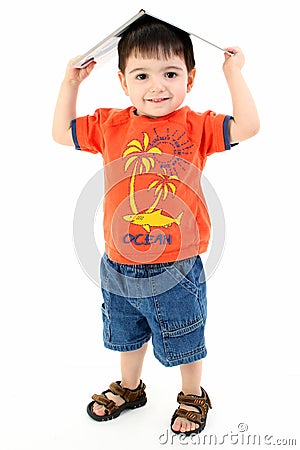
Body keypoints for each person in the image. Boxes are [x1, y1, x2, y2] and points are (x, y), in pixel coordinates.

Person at [52, 16, 259, 436]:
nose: (157, 86)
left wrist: (233, 74)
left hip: (177, 266)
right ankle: (131, 389)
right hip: (118, 262)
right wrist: (70, 83)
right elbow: (61, 133)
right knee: (125, 334)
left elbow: (248, 127)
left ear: (191, 78)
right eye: (142, 75)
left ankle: (192, 394)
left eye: (170, 73)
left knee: (185, 335)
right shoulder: (110, 123)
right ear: (123, 81)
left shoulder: (196, 125)